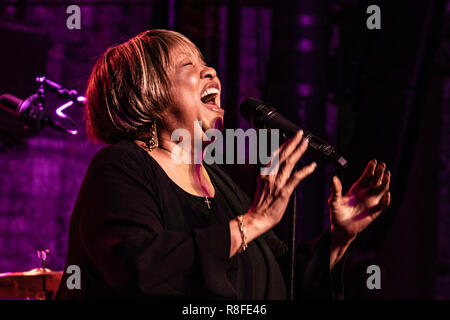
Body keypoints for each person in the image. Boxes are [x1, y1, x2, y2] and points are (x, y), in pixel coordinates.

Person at [56, 29, 391, 300]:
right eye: (187, 65)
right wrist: (252, 222)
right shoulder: (121, 167)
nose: (210, 71)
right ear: (147, 92)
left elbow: (283, 278)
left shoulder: (221, 183)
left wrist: (338, 237)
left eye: (205, 62)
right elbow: (141, 270)